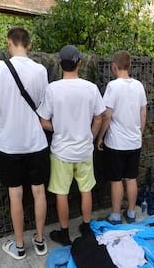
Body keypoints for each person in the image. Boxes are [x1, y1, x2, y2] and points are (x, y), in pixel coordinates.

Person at [0, 27, 49, 259]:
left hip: (10, 144)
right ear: (28, 45)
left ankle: (19, 247)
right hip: (36, 142)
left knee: (15, 195)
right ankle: (40, 242)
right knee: (39, 192)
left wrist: (1, 102)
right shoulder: (40, 70)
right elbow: (42, 104)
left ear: (9, 42)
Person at [37, 45, 105, 245]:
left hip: (61, 151)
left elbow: (42, 121)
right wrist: (90, 136)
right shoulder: (91, 88)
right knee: (86, 190)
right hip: (85, 150)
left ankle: (64, 233)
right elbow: (99, 119)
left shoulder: (53, 89)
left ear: (59, 64)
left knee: (61, 193)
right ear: (80, 64)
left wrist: (58, 129)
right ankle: (86, 227)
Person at [96, 50, 147, 224]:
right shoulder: (139, 86)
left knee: (116, 180)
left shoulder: (113, 86)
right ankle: (131, 213)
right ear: (130, 66)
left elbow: (106, 115)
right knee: (131, 178)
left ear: (114, 66)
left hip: (116, 143)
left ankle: (116, 215)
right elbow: (143, 113)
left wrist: (100, 137)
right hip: (134, 141)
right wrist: (139, 133)